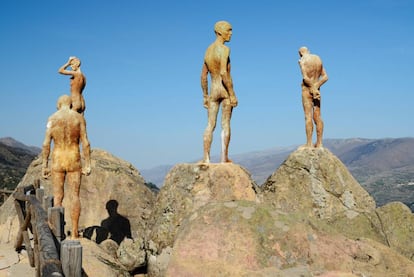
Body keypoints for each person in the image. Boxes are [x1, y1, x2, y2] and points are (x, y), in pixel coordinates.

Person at [42, 94, 91, 238]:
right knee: (75, 196)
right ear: (70, 104)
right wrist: (87, 164)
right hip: (73, 158)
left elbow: (46, 144)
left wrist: (44, 164)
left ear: (58, 104)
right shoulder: (78, 118)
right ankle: (75, 232)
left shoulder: (52, 119)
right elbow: (85, 143)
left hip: (57, 159)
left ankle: (58, 232)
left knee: (58, 197)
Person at [201, 20, 238, 163]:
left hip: (212, 90)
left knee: (210, 124)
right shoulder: (224, 49)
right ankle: (224, 158)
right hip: (223, 89)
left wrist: (205, 95)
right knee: (225, 124)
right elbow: (224, 73)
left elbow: (203, 76)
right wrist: (232, 94)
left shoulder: (208, 50)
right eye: (228, 30)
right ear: (219, 32)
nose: (231, 33)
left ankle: (206, 158)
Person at [298, 46, 329, 148]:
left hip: (307, 90)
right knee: (318, 116)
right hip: (317, 91)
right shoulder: (317, 58)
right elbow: (325, 77)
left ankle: (309, 143)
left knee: (308, 116)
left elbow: (305, 78)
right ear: (308, 51)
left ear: (301, 53)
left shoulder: (302, 60)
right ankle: (319, 143)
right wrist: (316, 86)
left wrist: (312, 87)